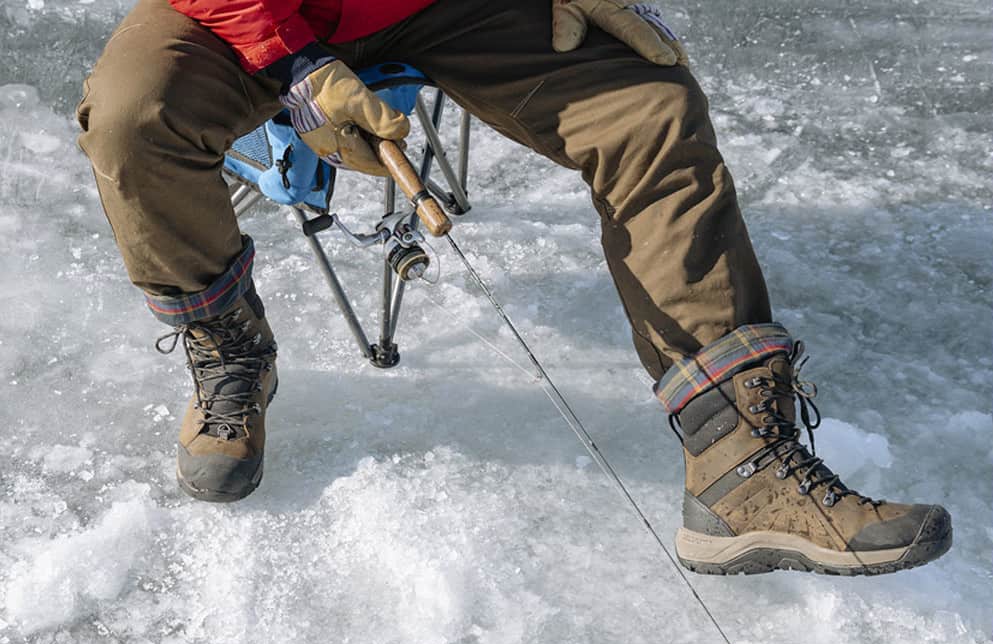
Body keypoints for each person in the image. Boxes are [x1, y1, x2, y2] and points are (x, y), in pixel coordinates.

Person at [76, 0, 951, 575]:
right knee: (132, 118)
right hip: (243, 12)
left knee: (649, 109)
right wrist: (293, 59)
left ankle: (741, 469)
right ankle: (231, 353)